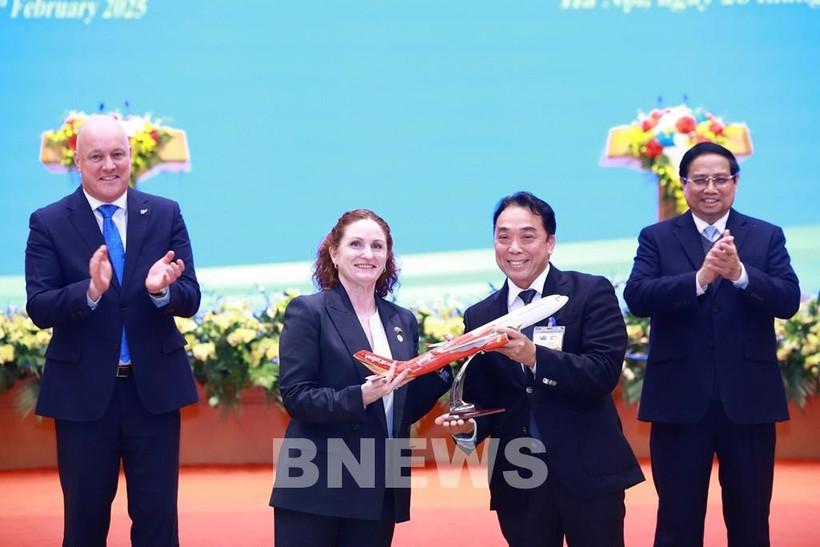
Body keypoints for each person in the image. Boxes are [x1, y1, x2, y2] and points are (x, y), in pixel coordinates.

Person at [24, 115, 201, 546]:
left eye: (118, 155)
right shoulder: (48, 222)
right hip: (83, 399)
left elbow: (191, 296)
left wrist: (163, 293)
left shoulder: (164, 213)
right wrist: (89, 291)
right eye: (97, 157)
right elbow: (40, 307)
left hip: (153, 395)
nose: (109, 166)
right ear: (78, 161)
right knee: (84, 525)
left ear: (130, 157)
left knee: (158, 523)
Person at [436, 191, 644, 547]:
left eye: (527, 236)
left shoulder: (589, 292)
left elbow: (603, 372)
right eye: (503, 237)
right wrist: (470, 425)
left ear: (550, 243)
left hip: (588, 472)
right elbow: (486, 400)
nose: (514, 247)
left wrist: (535, 358)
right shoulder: (481, 316)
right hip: (520, 477)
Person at [623, 142, 801, 546]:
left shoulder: (766, 235)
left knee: (751, 519)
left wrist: (740, 274)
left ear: (735, 182)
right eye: (699, 180)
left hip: (749, 401)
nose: (710, 188)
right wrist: (699, 279)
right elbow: (637, 296)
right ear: (683, 185)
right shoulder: (657, 237)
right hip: (679, 402)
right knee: (678, 520)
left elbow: (788, 300)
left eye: (720, 179)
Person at [270, 209, 453, 547]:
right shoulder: (309, 312)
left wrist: (441, 366)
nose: (368, 254)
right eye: (356, 244)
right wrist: (361, 396)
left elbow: (401, 409)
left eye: (377, 246)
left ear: (387, 258)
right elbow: (297, 397)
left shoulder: (402, 321)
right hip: (316, 484)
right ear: (334, 253)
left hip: (378, 484)